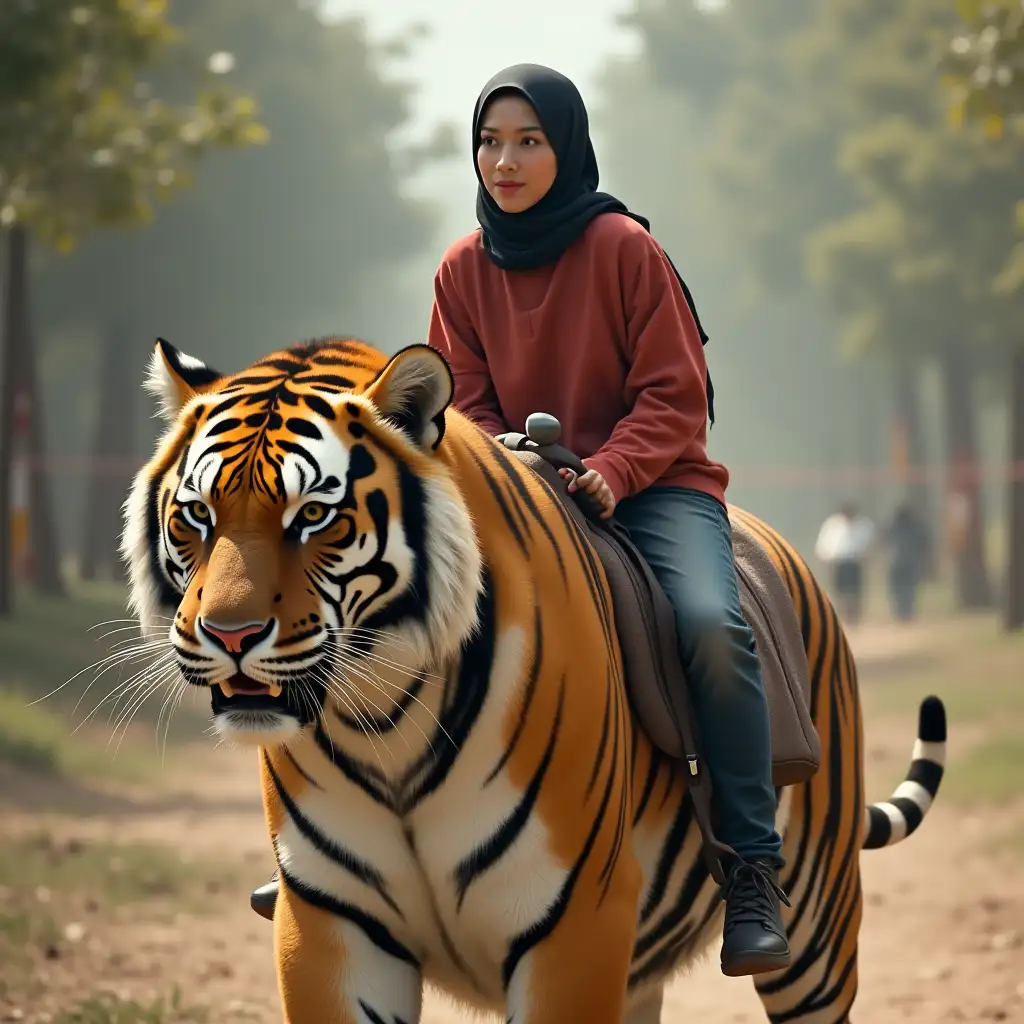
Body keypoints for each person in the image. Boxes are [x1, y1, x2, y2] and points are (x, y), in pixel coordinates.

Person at [427, 63, 789, 977]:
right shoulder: (462, 269)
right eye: (490, 141)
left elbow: (676, 395)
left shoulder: (625, 247)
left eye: (528, 141)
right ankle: (340, 853)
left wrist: (610, 473)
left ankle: (751, 866)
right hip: (518, 488)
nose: (504, 160)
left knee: (709, 624)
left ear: (568, 145)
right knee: (394, 608)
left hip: (655, 485)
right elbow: (458, 405)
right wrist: (508, 462)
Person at [814, 502, 875, 626]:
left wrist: (868, 558)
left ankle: (854, 618)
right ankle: (842, 617)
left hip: (855, 562)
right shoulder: (833, 525)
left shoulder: (862, 525)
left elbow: (869, 545)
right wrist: (823, 559)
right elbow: (824, 545)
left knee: (855, 592)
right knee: (840, 592)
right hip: (838, 563)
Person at [884, 501, 930, 622]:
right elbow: (924, 545)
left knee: (904, 589)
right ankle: (904, 613)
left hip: (902, 562)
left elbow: (924, 544)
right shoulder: (915, 526)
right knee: (905, 589)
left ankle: (904, 613)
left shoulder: (894, 526)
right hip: (905, 562)